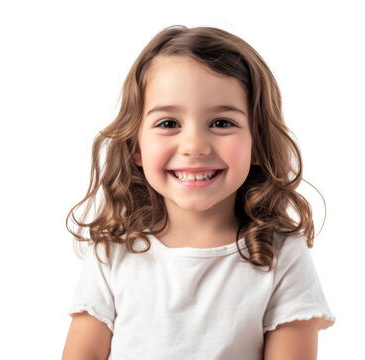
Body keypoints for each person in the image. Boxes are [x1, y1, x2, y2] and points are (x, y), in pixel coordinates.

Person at [61, 25, 335, 360]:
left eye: (221, 123)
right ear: (136, 146)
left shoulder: (282, 255)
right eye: (168, 123)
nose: (193, 146)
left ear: (258, 143)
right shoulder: (112, 252)